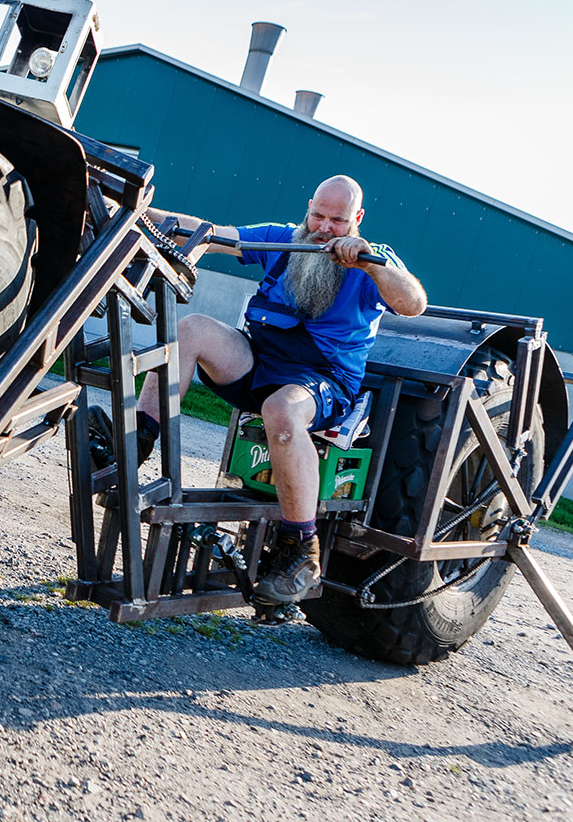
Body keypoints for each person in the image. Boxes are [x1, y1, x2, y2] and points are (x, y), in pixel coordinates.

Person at [87, 175, 427, 603]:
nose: (324, 228)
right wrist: (127, 206)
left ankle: (302, 552)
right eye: (318, 215)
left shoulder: (374, 260)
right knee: (191, 329)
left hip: (322, 378)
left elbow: (413, 303)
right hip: (260, 363)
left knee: (282, 412)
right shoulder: (284, 241)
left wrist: (370, 264)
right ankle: (133, 444)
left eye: (337, 221)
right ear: (308, 208)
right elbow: (208, 233)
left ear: (356, 219)